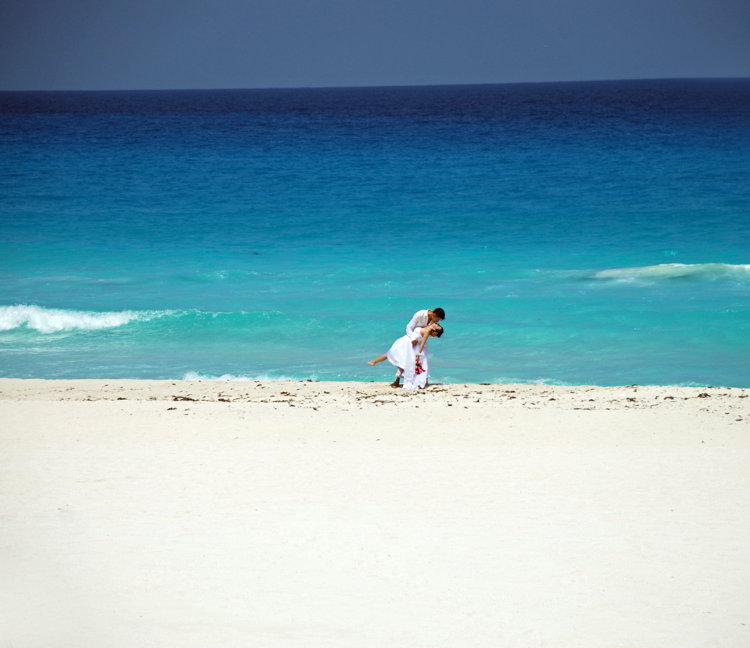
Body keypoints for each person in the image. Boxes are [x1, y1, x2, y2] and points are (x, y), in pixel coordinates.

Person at [369, 323, 443, 389]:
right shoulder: (427, 331)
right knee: (401, 362)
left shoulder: (425, 326)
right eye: (435, 335)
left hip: (405, 342)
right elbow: (422, 344)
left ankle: (375, 362)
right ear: (434, 331)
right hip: (409, 346)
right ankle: (375, 363)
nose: (433, 336)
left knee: (393, 356)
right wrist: (419, 354)